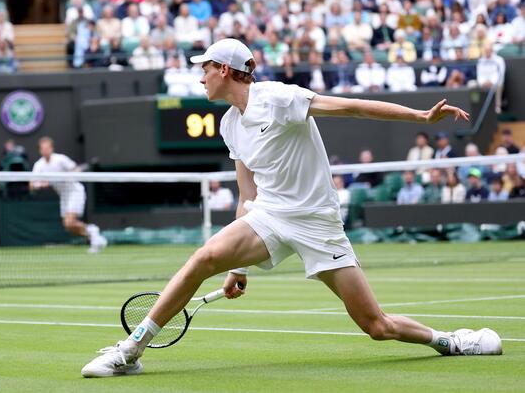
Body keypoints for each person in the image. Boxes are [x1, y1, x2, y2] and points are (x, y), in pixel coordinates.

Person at [81, 38, 499, 378]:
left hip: (317, 223)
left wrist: (421, 118)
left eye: (204, 68)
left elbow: (350, 106)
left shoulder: (279, 98)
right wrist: (237, 268)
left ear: (224, 70)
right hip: (270, 216)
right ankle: (131, 349)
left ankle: (450, 340)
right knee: (204, 256)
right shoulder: (229, 124)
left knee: (376, 326)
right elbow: (247, 196)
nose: (201, 77)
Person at [30, 136, 107, 253]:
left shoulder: (60, 159)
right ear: (40, 151)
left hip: (75, 191)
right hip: (64, 195)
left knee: (69, 222)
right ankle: (94, 236)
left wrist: (67, 177)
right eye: (43, 149)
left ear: (52, 148)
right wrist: (40, 184)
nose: (46, 150)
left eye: (48, 148)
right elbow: (31, 185)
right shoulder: (39, 165)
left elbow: (76, 170)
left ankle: (92, 231)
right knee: (69, 227)